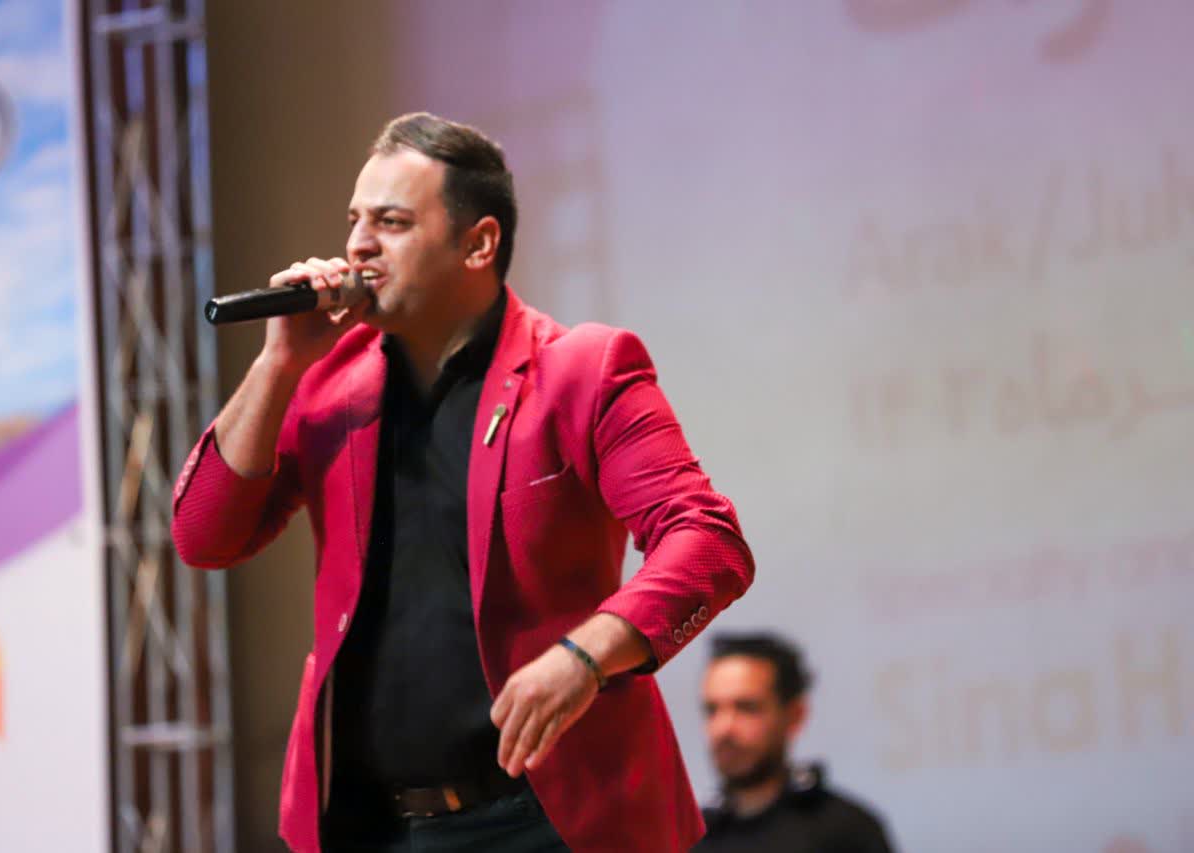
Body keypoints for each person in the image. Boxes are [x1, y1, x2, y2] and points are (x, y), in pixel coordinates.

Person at [171, 112, 754, 853]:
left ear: (478, 244)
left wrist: (585, 656)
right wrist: (277, 364)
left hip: (544, 821)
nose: (357, 245)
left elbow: (708, 538)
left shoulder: (579, 370)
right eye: (355, 221)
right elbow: (204, 537)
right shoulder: (326, 381)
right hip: (369, 824)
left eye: (391, 222)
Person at [695, 632, 896, 853]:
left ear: (794, 715)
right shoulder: (691, 839)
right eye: (712, 710)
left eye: (747, 708)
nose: (724, 728)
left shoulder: (847, 832)